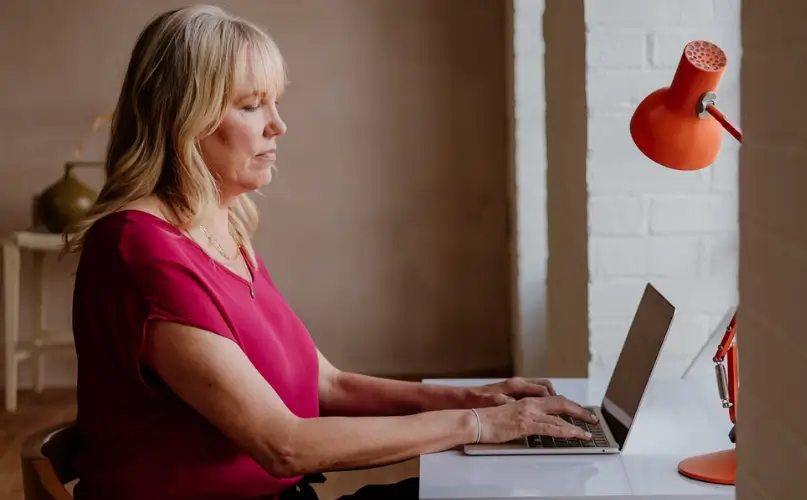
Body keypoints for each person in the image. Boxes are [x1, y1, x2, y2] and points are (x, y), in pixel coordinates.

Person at [63, 5, 596, 500]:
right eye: (251, 106)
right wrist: (480, 428)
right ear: (182, 119)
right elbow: (283, 445)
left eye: (276, 101)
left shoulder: (221, 229)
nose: (278, 124)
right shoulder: (139, 248)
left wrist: (478, 399)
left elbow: (328, 384)